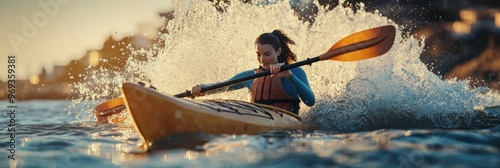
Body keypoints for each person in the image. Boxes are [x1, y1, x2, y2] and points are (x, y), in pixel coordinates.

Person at [191, 30, 315, 114]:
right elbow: (224, 86)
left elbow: (310, 101)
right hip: (259, 125)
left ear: (278, 52)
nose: (262, 59)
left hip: (287, 130)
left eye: (267, 54)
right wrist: (203, 88)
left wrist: (289, 76)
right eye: (258, 54)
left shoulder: (295, 72)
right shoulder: (251, 76)